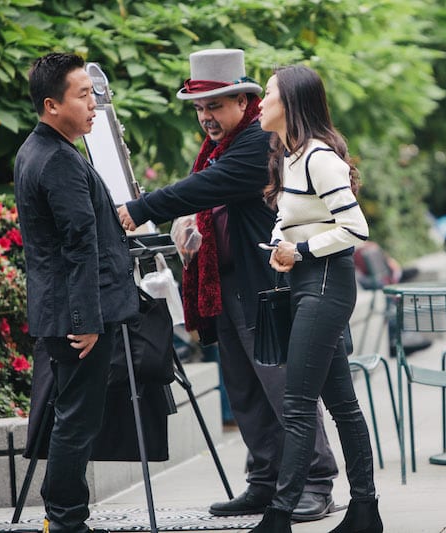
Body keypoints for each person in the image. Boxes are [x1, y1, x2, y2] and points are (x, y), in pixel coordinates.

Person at [117, 49, 338, 521]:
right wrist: (190, 229)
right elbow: (213, 198)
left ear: (244, 101)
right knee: (244, 390)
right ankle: (265, 482)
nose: (205, 118)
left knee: (284, 389)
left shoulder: (259, 141)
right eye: (199, 109)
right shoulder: (225, 145)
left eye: (214, 106)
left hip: (267, 285)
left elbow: (212, 186)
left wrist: (142, 208)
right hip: (229, 285)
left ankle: (315, 483)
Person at [250, 65, 382, 533]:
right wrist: (280, 246)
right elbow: (291, 218)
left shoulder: (319, 158)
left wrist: (302, 250)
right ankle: (365, 511)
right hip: (306, 281)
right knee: (342, 405)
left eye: (267, 94)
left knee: (299, 404)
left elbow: (355, 228)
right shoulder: (288, 155)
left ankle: (279, 517)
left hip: (327, 282)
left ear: (292, 104)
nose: (260, 103)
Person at [14, 52, 139, 533]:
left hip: (60, 310)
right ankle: (66, 520)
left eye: (93, 93)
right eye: (83, 95)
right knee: (77, 421)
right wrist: (87, 323)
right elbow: (77, 246)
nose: (94, 105)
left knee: (71, 416)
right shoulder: (59, 160)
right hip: (75, 318)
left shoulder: (36, 150)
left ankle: (60, 515)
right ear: (51, 105)